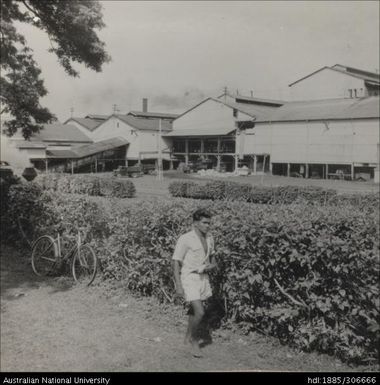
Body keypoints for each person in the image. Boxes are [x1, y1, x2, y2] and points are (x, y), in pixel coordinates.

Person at [172, 208, 217, 357]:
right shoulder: (185, 239)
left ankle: (187, 336)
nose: (207, 226)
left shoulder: (210, 238)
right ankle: (194, 339)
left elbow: (213, 258)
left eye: (209, 223)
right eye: (204, 223)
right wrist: (178, 285)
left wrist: (213, 265)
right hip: (189, 277)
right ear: (195, 223)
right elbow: (176, 262)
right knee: (200, 311)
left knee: (193, 310)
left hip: (203, 278)